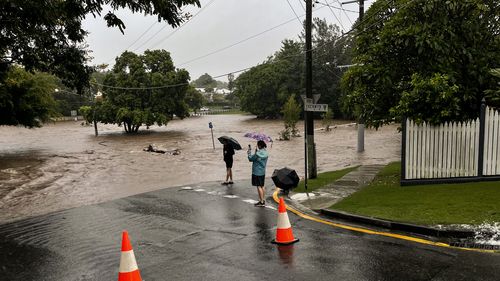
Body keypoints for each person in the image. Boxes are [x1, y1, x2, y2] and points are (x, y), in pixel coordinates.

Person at [247, 140, 269, 206]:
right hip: (262, 171)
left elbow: (250, 159)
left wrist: (249, 152)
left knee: (258, 186)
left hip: (256, 172)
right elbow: (259, 158)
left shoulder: (257, 154)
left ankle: (261, 201)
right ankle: (263, 199)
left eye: (257, 145)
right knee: (262, 186)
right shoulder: (266, 152)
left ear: (259, 145)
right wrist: (257, 152)